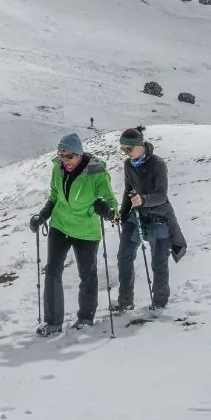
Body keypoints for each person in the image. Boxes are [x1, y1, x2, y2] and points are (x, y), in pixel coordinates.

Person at [28, 132, 115, 335]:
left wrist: (107, 210)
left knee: (87, 274)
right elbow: (54, 196)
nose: (64, 160)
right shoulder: (57, 169)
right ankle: (53, 322)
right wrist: (42, 216)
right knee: (52, 271)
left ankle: (85, 318)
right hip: (60, 226)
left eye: (69, 156)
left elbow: (112, 204)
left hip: (86, 231)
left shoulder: (97, 173)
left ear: (79, 154)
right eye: (61, 155)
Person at [114, 126, 187, 313]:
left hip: (159, 216)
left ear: (140, 145)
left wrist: (144, 199)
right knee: (124, 255)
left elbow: (162, 195)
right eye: (123, 149)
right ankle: (125, 301)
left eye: (128, 149)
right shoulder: (128, 165)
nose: (126, 153)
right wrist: (122, 212)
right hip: (136, 215)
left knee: (158, 261)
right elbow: (128, 190)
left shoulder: (158, 164)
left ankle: (160, 302)